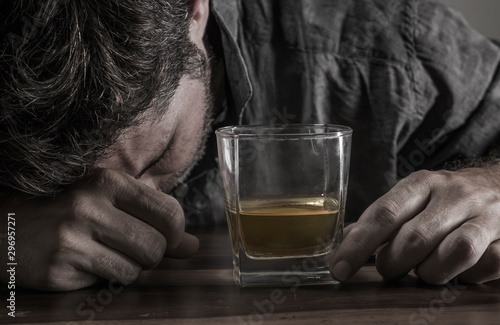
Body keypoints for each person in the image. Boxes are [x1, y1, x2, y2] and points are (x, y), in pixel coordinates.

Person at [0, 0, 499, 291]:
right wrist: (8, 236)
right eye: (63, 184)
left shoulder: (381, 46)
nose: (127, 197)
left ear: (194, 11)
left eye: (154, 158)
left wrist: (492, 183)